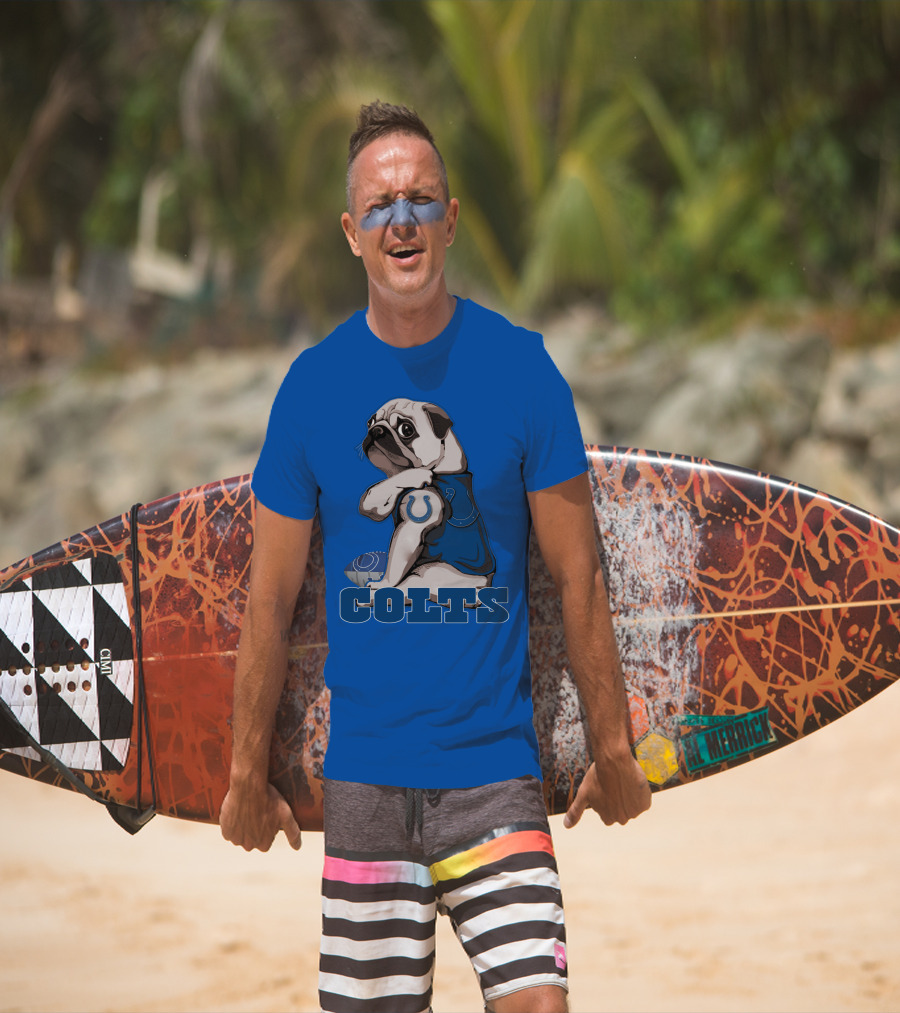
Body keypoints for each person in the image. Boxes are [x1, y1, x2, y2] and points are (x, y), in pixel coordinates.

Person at [220, 100, 651, 1013]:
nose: (402, 220)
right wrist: (243, 772)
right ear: (351, 232)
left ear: (451, 219)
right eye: (380, 205)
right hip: (367, 783)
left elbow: (579, 575)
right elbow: (269, 601)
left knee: (540, 1003)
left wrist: (612, 746)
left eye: (421, 200)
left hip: (495, 775)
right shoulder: (311, 390)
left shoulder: (523, 371)